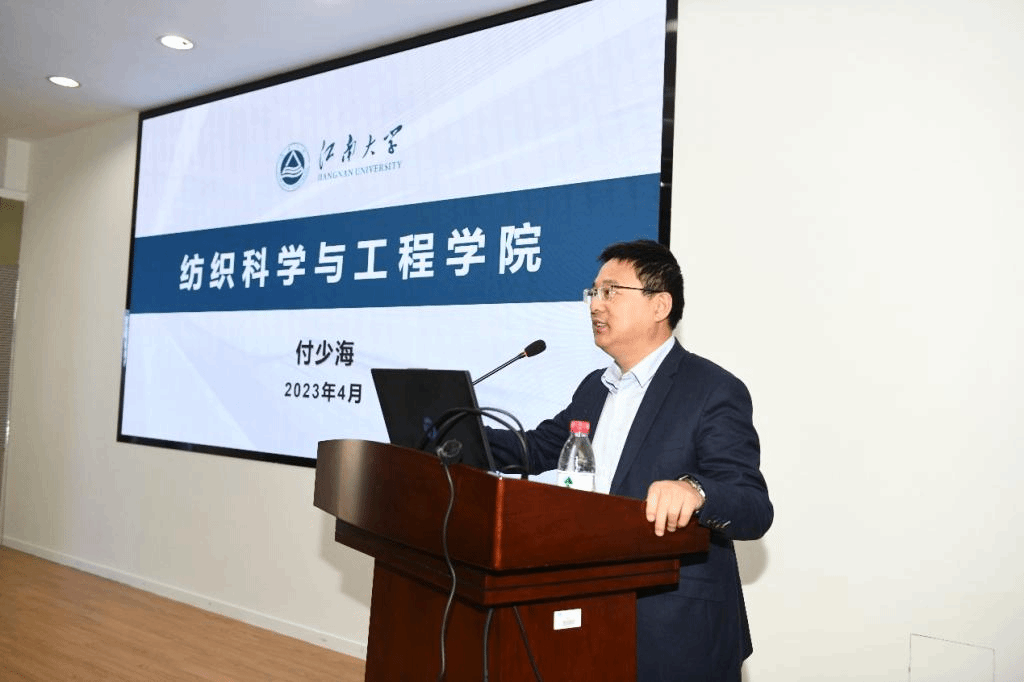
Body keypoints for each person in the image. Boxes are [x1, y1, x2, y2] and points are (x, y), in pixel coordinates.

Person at [486, 239, 773, 682]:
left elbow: (752, 506)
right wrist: (456, 435)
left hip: (676, 630)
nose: (595, 305)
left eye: (611, 291)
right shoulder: (594, 388)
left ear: (660, 305)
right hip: (591, 612)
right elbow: (539, 447)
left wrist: (696, 491)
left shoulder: (712, 389)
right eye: (593, 292)